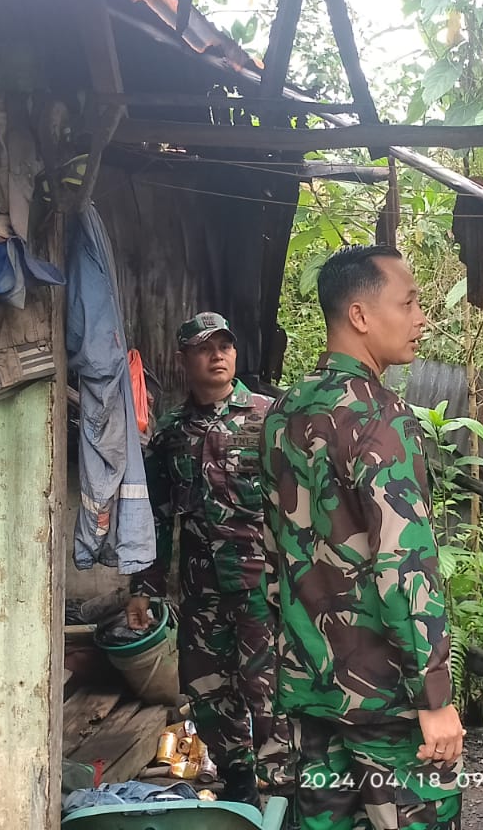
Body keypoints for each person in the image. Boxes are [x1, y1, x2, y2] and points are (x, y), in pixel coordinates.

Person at [260, 244, 464, 830]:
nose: (421, 318)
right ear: (359, 315)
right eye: (409, 303)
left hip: (312, 686)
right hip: (387, 701)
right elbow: (403, 566)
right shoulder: (381, 417)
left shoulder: (284, 412)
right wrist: (434, 696)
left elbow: (275, 553)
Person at [128, 311, 288, 806]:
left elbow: (300, 504)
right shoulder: (171, 432)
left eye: (225, 346)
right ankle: (239, 781)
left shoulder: (269, 417)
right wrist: (144, 587)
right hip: (201, 591)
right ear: (184, 359)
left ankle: (286, 791)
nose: (217, 356)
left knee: (269, 690)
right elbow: (156, 516)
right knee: (207, 690)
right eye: (204, 348)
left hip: (263, 586)